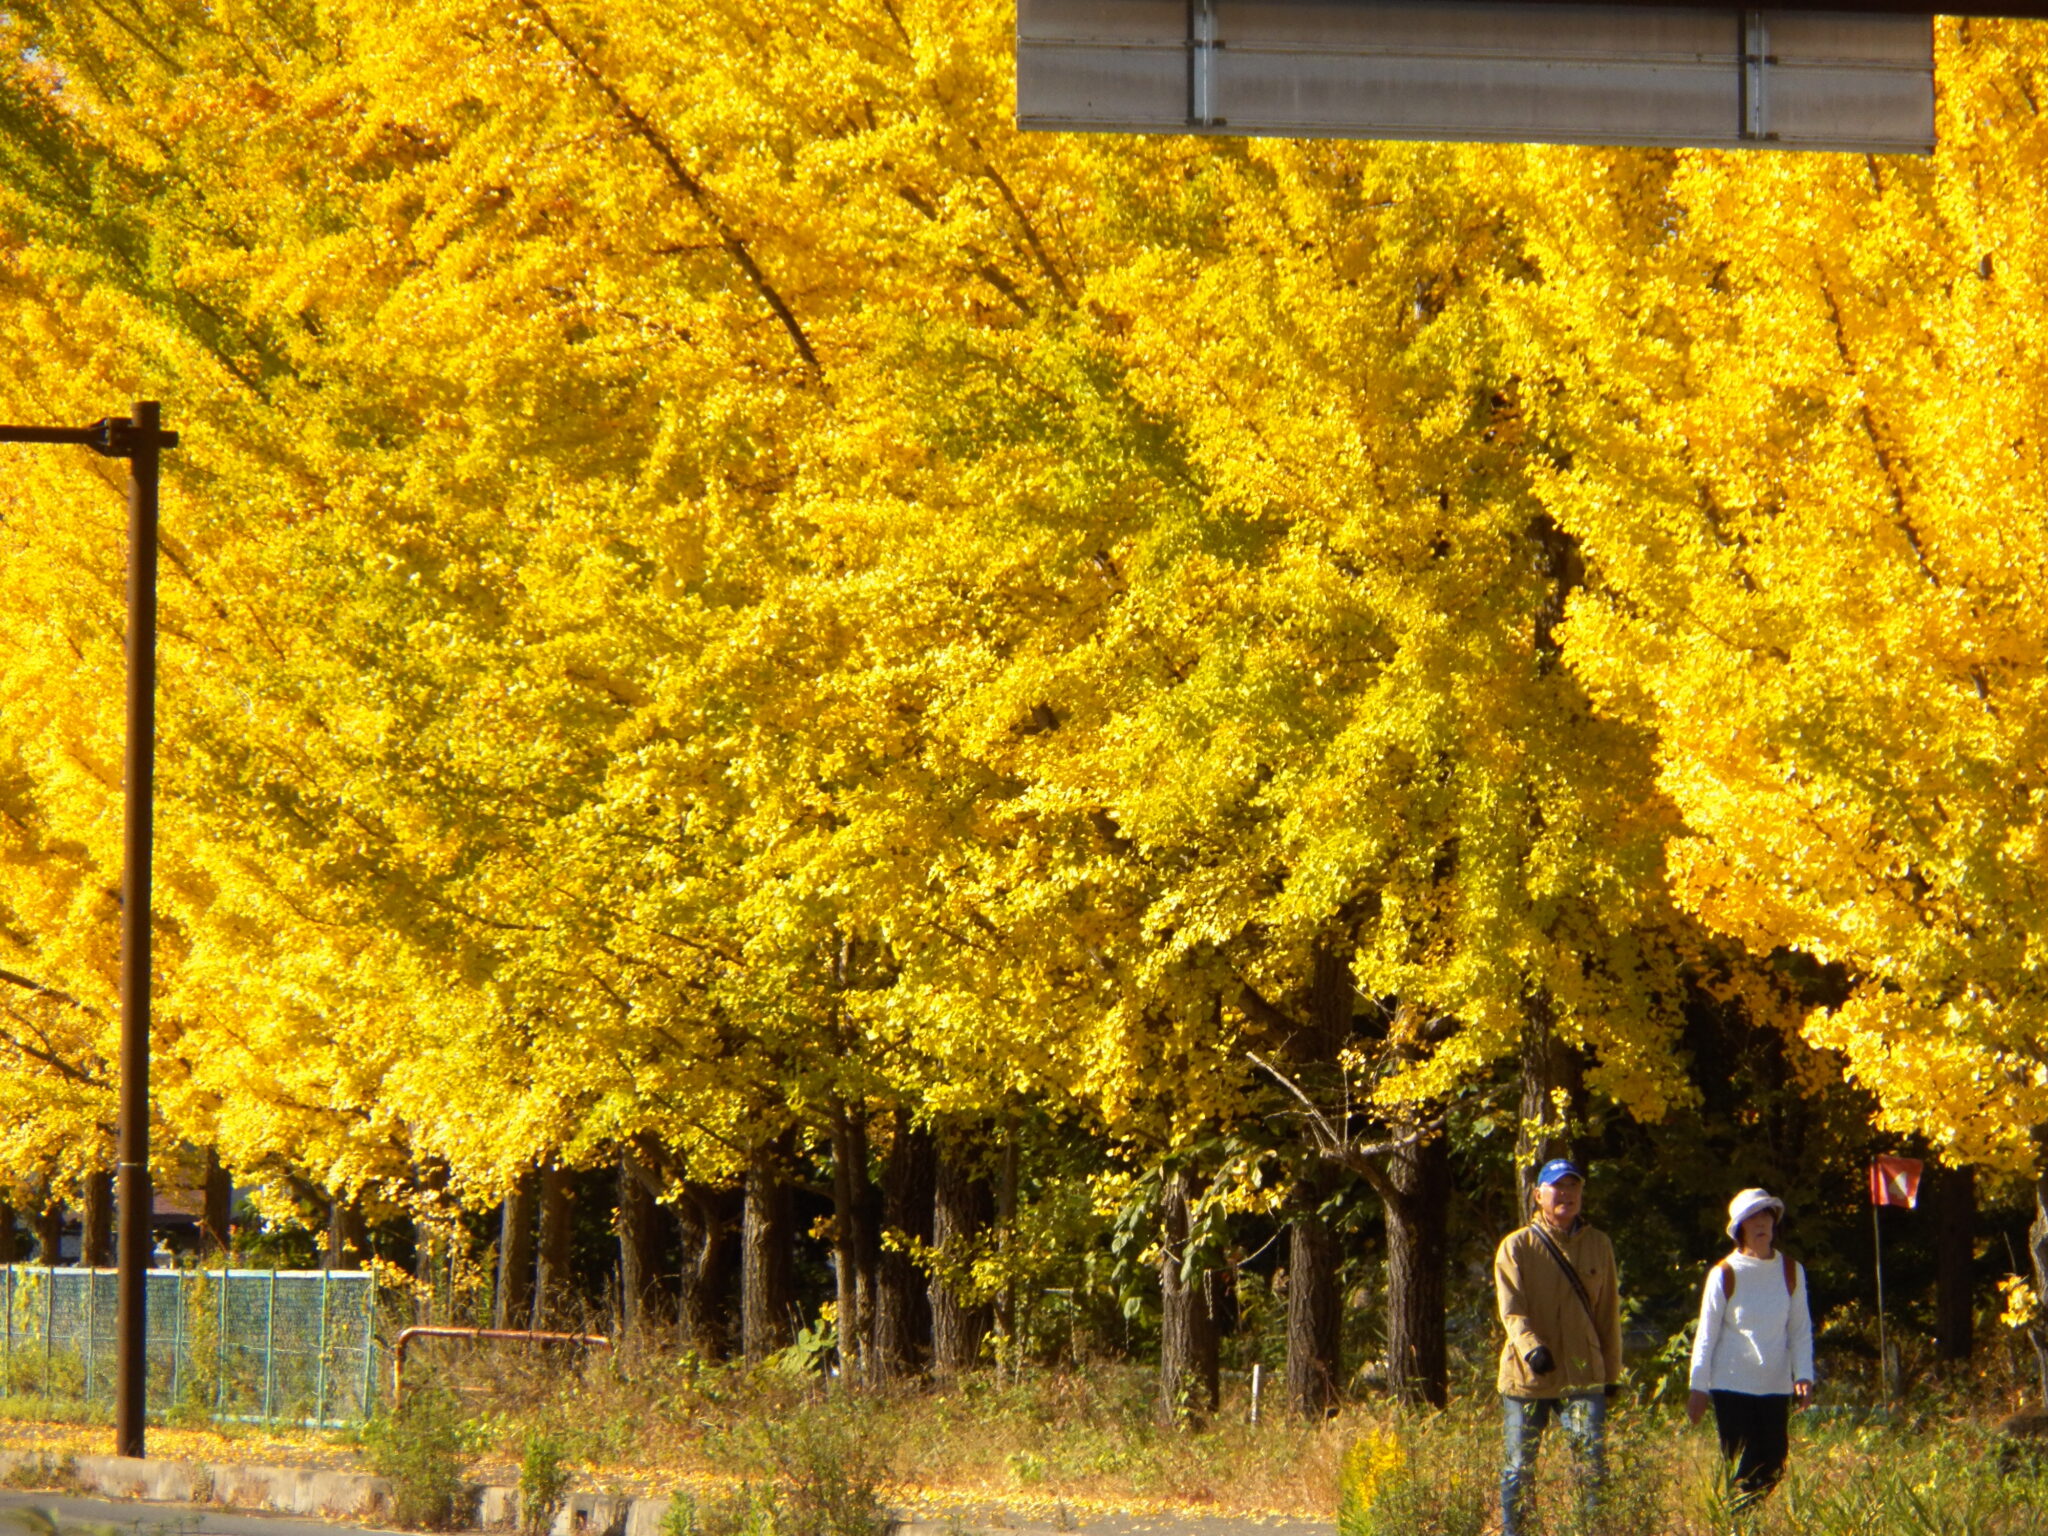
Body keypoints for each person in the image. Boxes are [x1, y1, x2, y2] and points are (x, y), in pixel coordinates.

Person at [1494, 1158, 1625, 1536]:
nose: (1566, 1194)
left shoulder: (1599, 1244)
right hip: (1528, 1376)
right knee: (1518, 1468)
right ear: (1538, 1195)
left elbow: (1607, 1314)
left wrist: (1610, 1373)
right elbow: (1511, 1310)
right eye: (1557, 1187)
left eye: (1573, 1187)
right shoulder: (1517, 1246)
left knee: (1591, 1467)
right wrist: (1532, 1348)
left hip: (1583, 1373)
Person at [1687, 1187, 1815, 1515]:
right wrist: (1697, 1387)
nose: (1761, 1224)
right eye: (1753, 1218)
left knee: (1773, 1462)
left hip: (1774, 1385)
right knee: (1741, 1466)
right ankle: (1738, 1523)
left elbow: (1799, 1328)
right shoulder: (1724, 1274)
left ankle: (1742, 1517)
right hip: (1731, 1385)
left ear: (1774, 1223)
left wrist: (1803, 1374)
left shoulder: (1791, 1271)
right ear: (1740, 1227)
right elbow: (1706, 1334)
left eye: (1766, 1216)